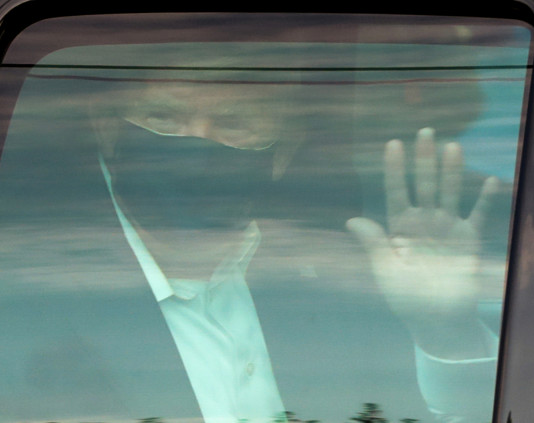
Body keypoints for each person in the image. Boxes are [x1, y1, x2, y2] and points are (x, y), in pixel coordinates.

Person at [0, 47, 504, 423]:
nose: (196, 144)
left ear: (282, 152)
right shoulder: (26, 298)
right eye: (164, 119)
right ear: (107, 129)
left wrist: (446, 330)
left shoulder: (337, 289)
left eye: (233, 123)